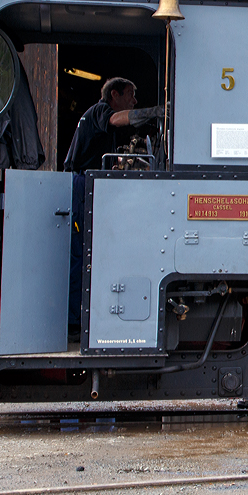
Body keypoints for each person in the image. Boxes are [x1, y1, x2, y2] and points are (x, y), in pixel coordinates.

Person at [63, 78, 162, 330]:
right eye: (131, 94)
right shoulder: (100, 111)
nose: (134, 100)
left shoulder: (100, 126)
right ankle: (75, 321)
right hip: (81, 185)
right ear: (114, 95)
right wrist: (153, 112)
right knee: (81, 253)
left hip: (86, 185)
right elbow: (117, 119)